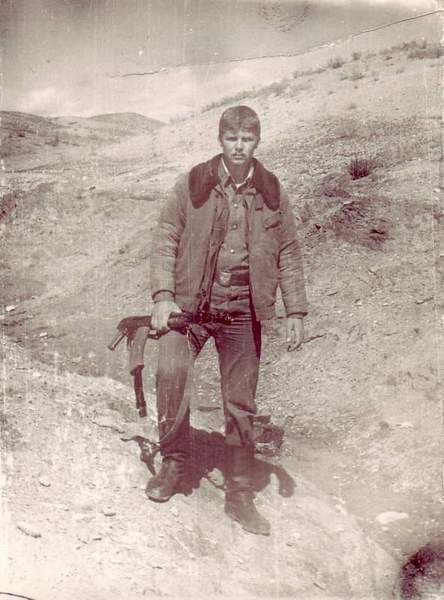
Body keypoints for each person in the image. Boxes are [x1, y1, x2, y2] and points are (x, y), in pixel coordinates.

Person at [147, 105, 308, 536]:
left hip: (241, 312)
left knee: (240, 401)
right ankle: (175, 463)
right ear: (220, 140)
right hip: (190, 309)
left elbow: (288, 251)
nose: (239, 147)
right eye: (232, 138)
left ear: (257, 141)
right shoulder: (193, 183)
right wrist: (163, 296)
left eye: (247, 139)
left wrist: (295, 310)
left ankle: (239, 492)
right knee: (171, 371)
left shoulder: (272, 191)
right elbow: (165, 238)